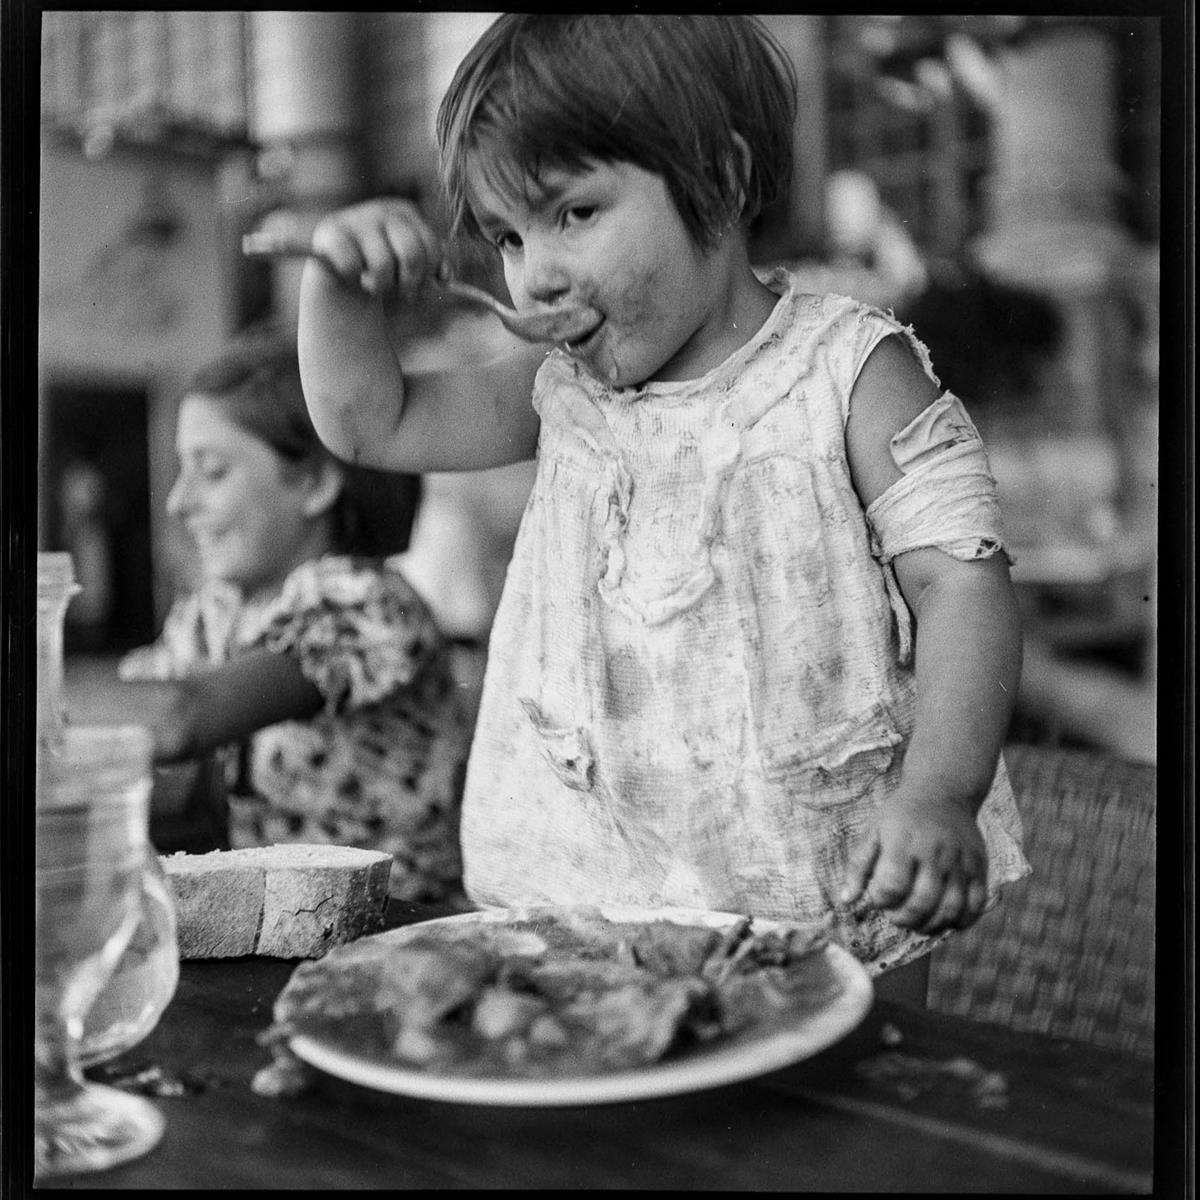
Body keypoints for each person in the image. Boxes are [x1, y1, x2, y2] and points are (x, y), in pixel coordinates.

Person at [294, 14, 1030, 1003]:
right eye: (508, 236)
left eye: (573, 213)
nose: (533, 272)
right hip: (579, 908)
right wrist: (337, 288)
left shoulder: (850, 372)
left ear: (718, 180)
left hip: (824, 903)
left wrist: (942, 792)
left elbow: (964, 582)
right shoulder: (557, 393)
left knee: (830, 1140)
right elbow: (368, 422)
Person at [116, 327, 472, 902]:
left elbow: (177, 718)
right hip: (289, 924)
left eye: (211, 471)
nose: (178, 503)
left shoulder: (365, 605)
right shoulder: (220, 610)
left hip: (401, 933)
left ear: (313, 482)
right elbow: (130, 712)